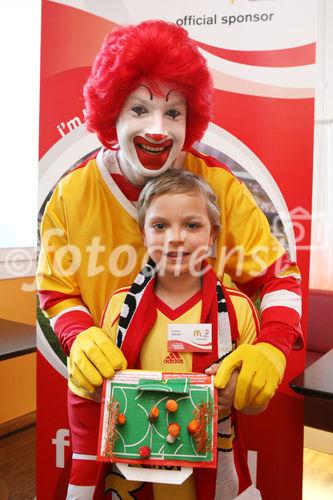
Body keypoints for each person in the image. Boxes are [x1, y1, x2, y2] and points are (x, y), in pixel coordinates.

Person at [36, 18, 302, 499]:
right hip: (111, 421)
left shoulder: (219, 185)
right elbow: (57, 289)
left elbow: (279, 276)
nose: (158, 130)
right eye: (139, 108)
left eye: (173, 113)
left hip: (202, 428)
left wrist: (272, 346)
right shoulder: (71, 194)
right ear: (111, 112)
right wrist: (81, 338)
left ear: (189, 120)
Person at [69, 169, 264, 499]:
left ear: (213, 233)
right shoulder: (119, 306)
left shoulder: (238, 309)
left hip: (210, 476)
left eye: (192, 225)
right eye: (160, 226)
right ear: (143, 233)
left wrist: (239, 391)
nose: (176, 237)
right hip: (134, 476)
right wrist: (89, 382)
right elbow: (98, 395)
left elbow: (258, 402)